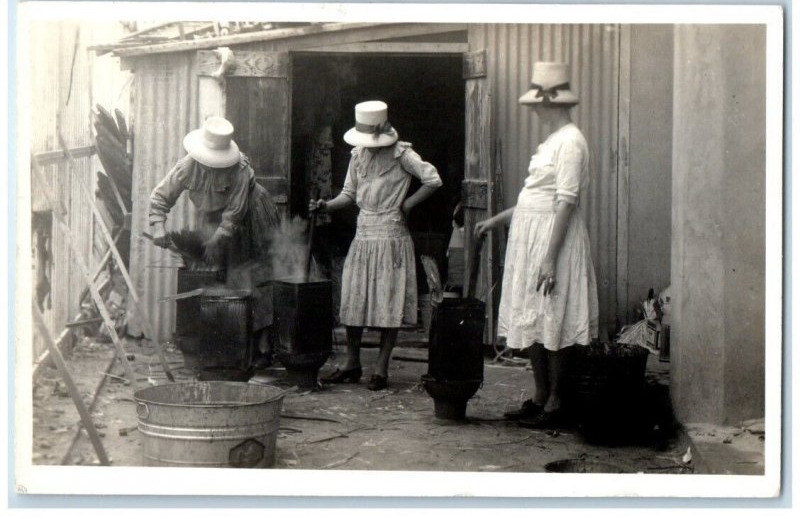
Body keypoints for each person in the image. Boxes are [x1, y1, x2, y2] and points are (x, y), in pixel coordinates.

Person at [475, 62, 599, 428]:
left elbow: (565, 201)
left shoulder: (572, 142)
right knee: (534, 316)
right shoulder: (551, 141)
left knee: (554, 317)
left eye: (536, 104)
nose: (533, 110)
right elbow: (533, 199)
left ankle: (558, 401)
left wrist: (549, 258)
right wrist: (495, 221)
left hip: (552, 241)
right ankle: (540, 394)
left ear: (553, 103)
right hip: (531, 237)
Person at [309, 101, 442, 391]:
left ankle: (381, 367)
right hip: (364, 234)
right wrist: (326, 206)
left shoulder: (402, 155)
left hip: (392, 236)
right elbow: (348, 193)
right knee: (355, 299)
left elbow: (433, 179)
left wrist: (408, 203)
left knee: (387, 300)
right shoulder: (358, 156)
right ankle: (351, 362)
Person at [149, 116, 280, 358]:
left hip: (249, 215)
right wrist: (158, 226)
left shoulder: (240, 170)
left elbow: (234, 215)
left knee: (254, 272)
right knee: (216, 275)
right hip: (213, 217)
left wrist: (217, 239)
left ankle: (260, 342)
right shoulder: (187, 167)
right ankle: (226, 337)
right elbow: (160, 197)